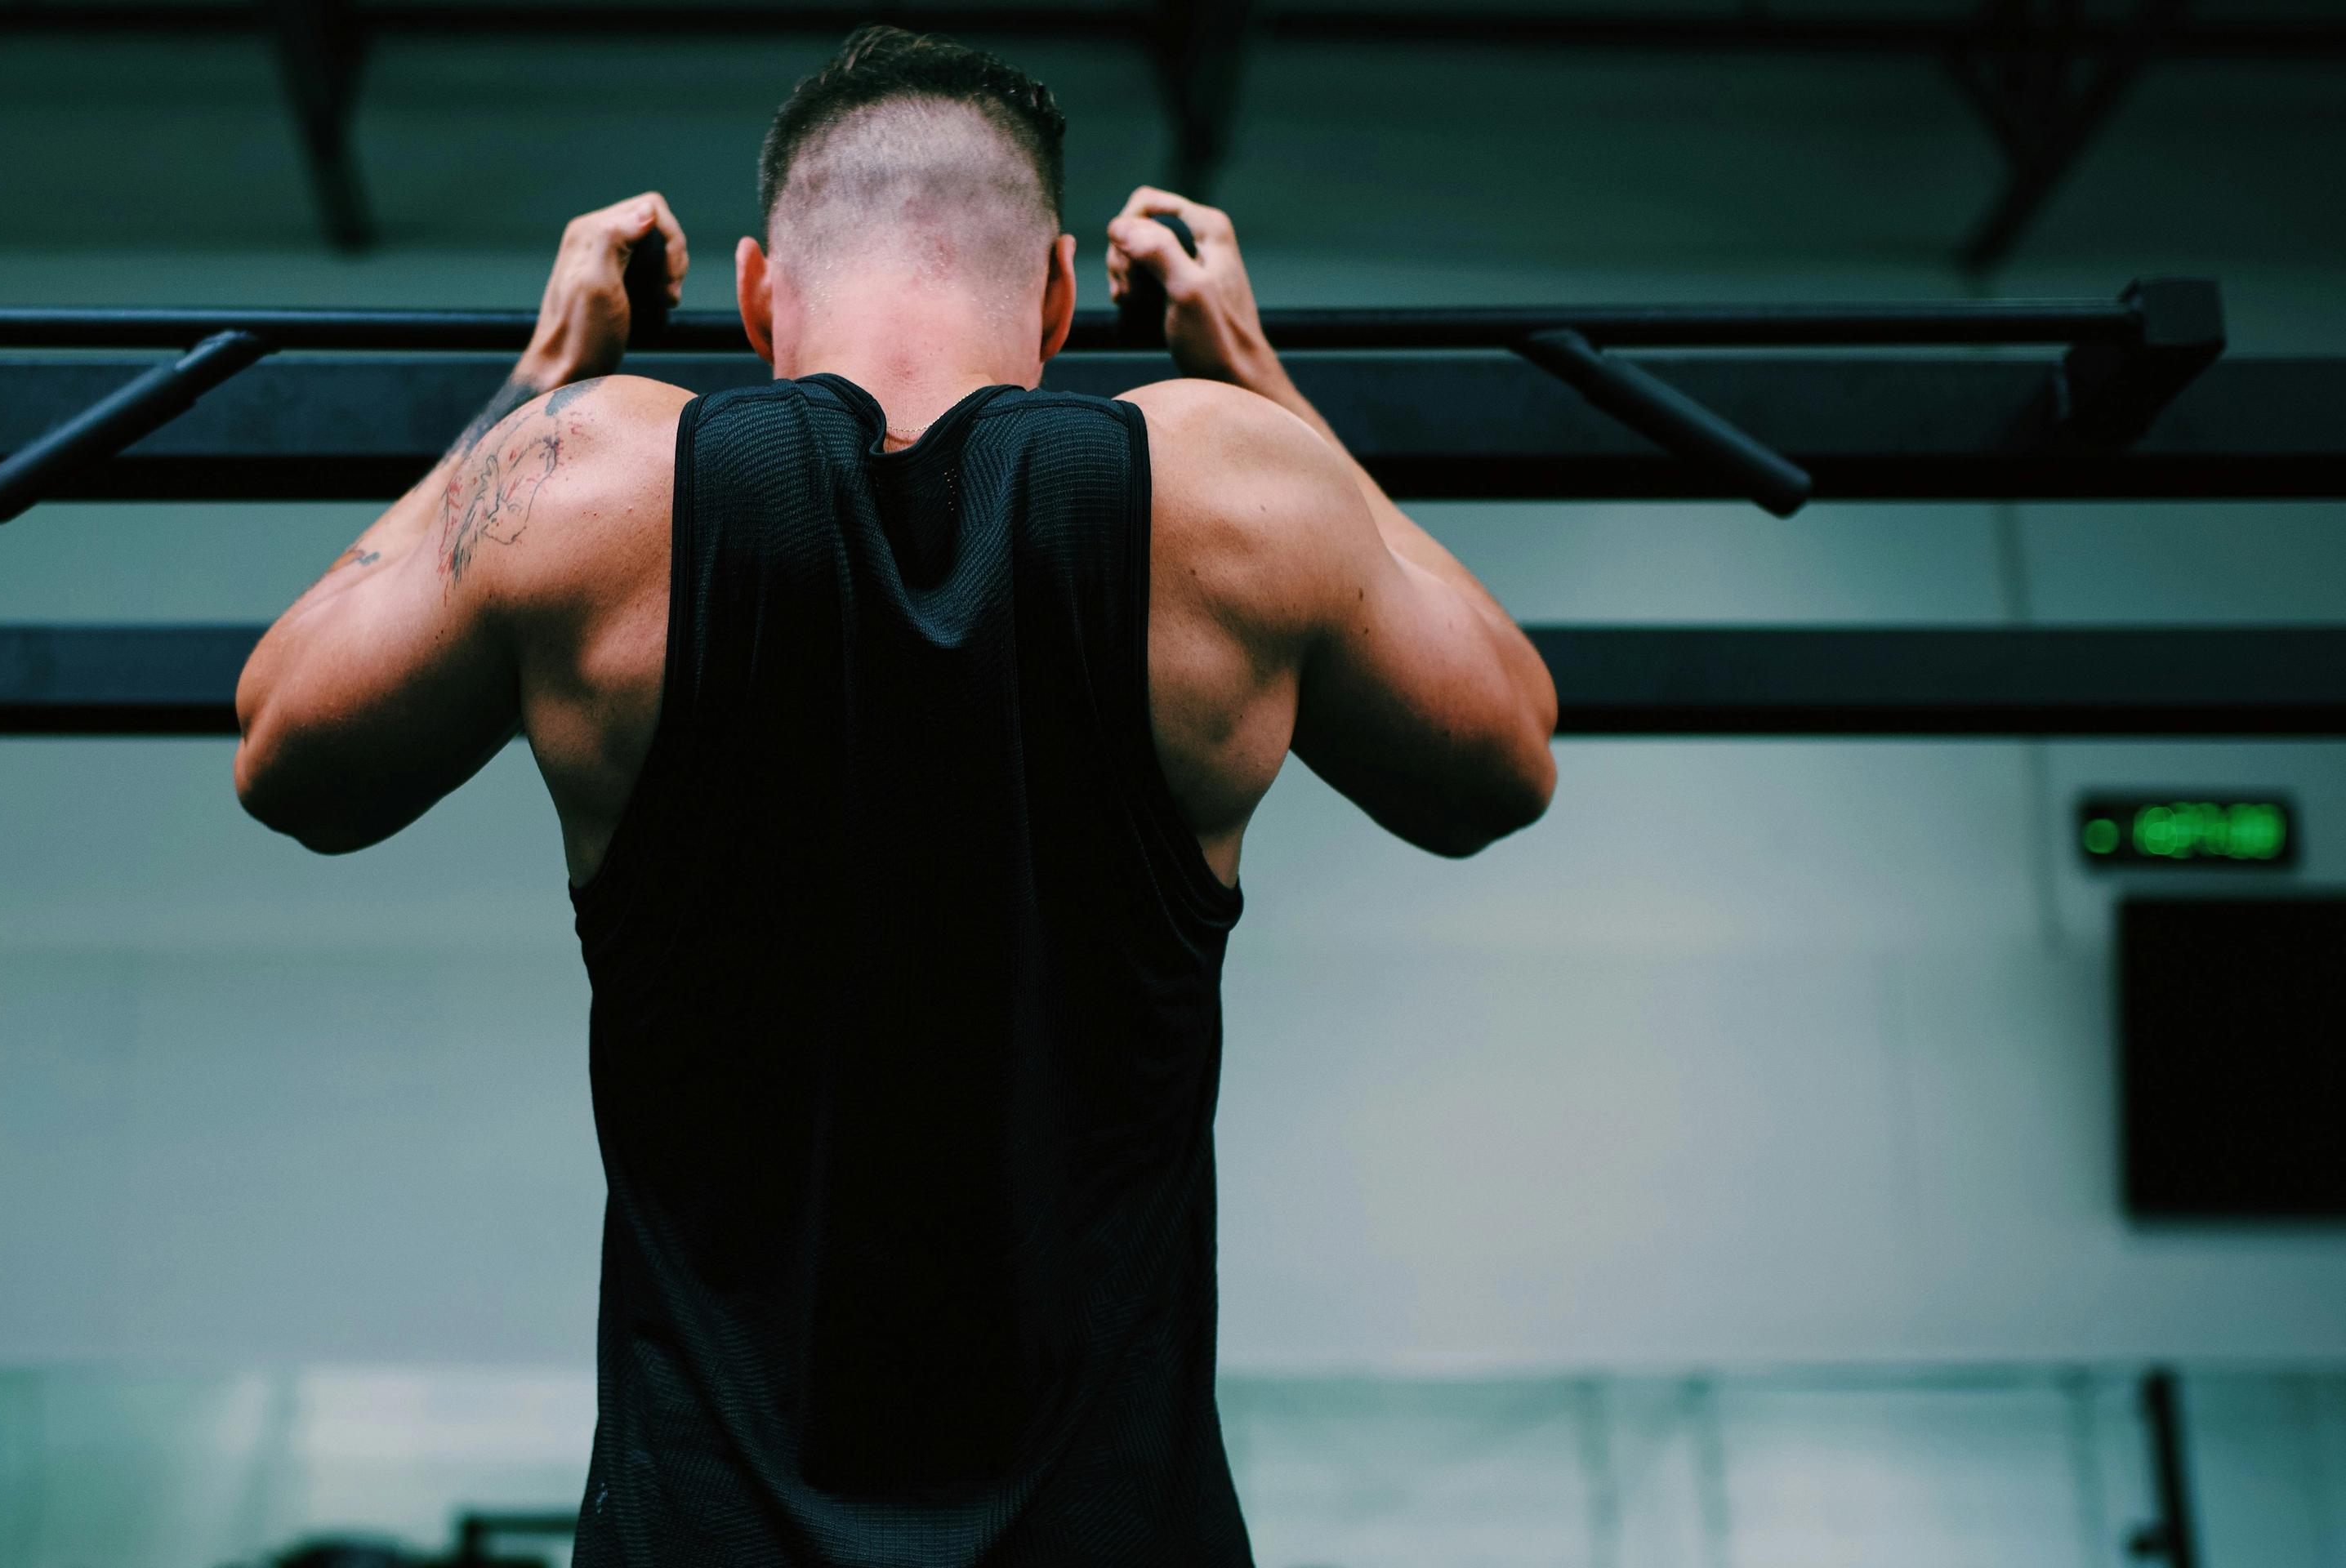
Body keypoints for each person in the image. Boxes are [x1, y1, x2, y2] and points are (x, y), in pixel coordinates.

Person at [234, 25, 1555, 1566]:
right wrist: (1255, 374)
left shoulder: (584, 478)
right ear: (1063, 295)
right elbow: (1504, 753)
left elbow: (285, 747)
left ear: (752, 294)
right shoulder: (1233, 485)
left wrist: (545, 373)